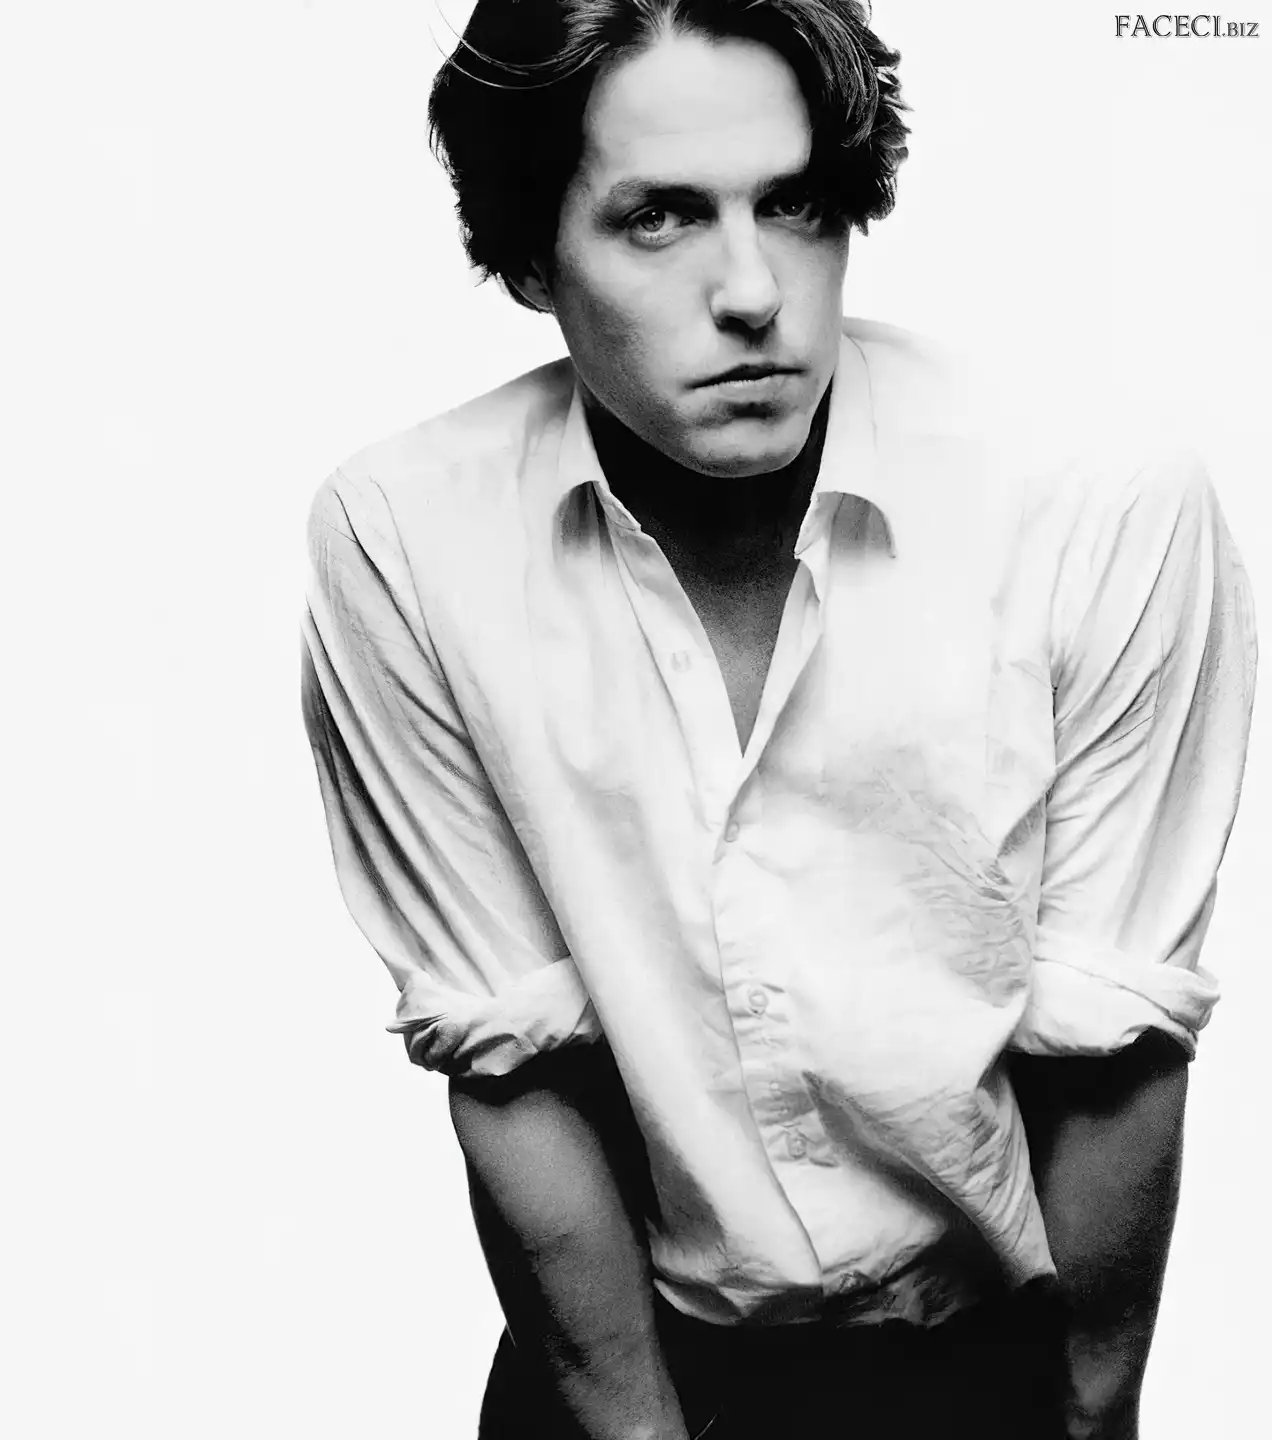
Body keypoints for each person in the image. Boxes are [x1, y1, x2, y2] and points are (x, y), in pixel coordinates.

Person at [297, 3, 1258, 1438]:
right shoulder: (405, 535)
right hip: (620, 1367)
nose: (753, 291)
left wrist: (1087, 1424)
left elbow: (1114, 1049)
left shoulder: (1099, 506)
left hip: (992, 1374)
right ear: (528, 255)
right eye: (660, 218)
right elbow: (516, 1068)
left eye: (795, 205)